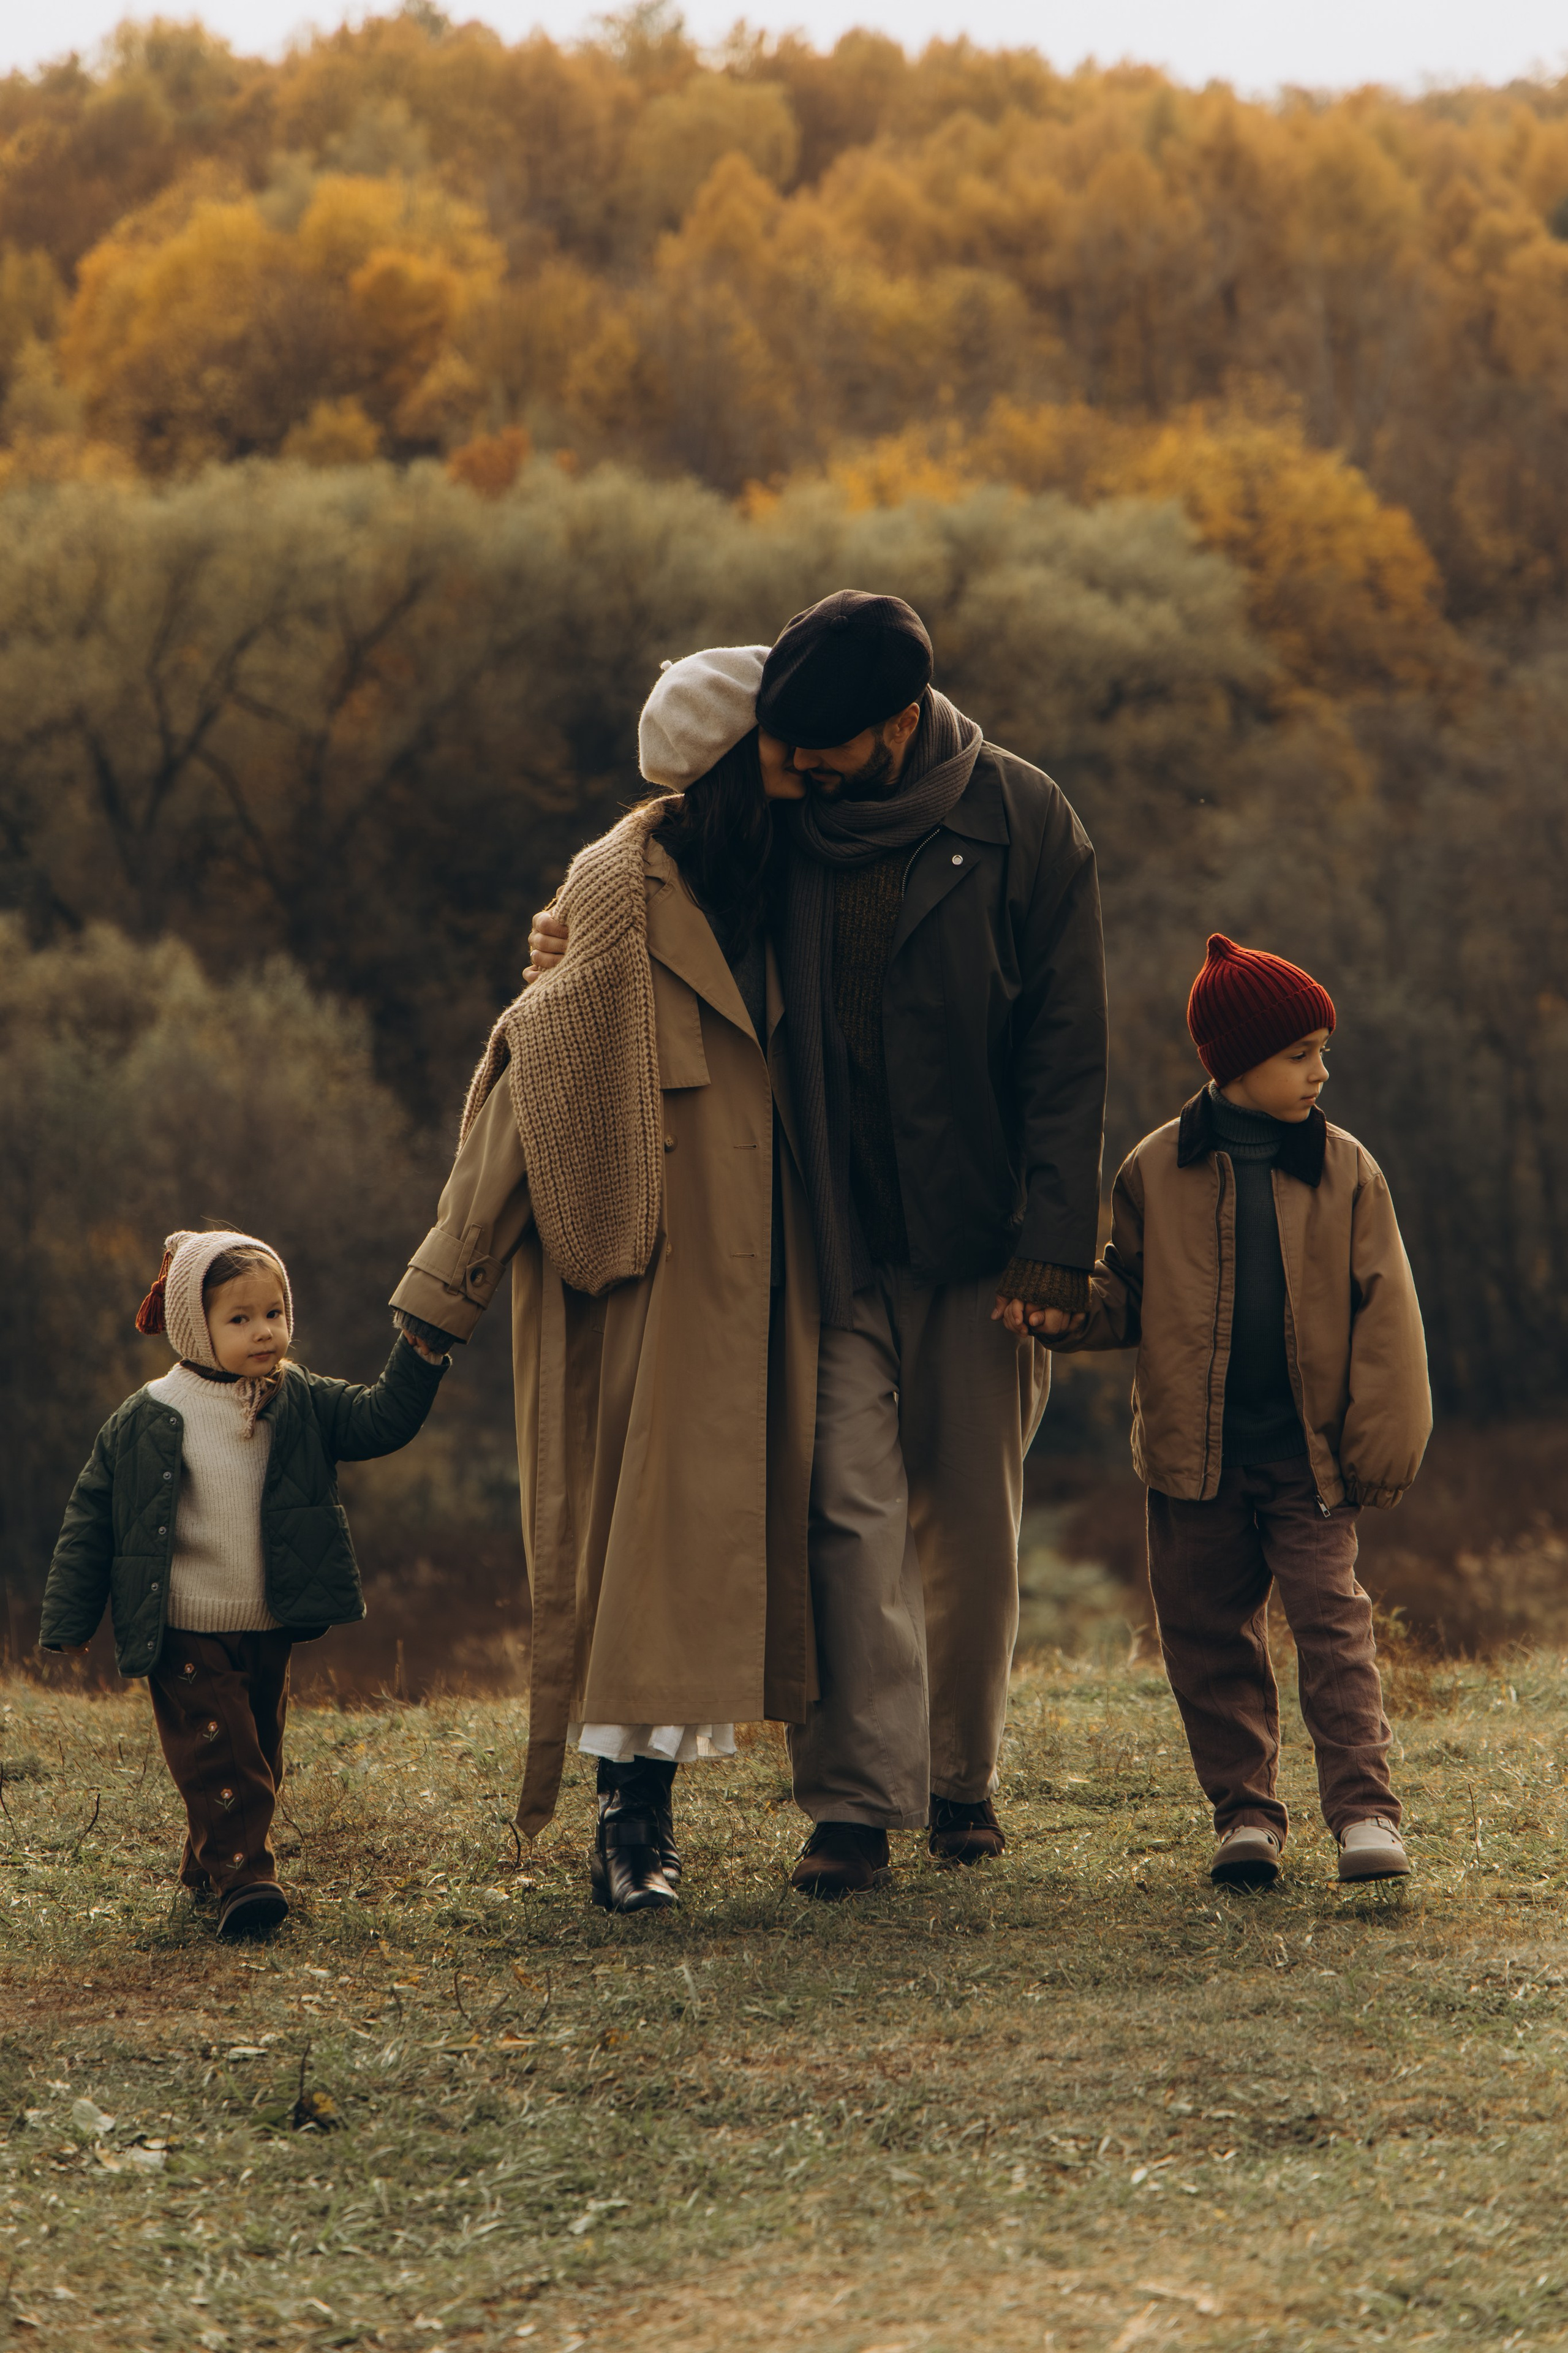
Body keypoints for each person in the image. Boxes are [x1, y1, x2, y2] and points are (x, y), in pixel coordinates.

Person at [530, 592, 1109, 1896]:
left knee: (971, 1525)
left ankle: (958, 1783)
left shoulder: (1024, 818)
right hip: (822, 1238)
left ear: (898, 723)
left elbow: (1069, 1048)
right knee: (848, 1520)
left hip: (979, 1244)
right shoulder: (787, 820)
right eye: (785, 744)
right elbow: (662, 857)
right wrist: (571, 925)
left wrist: (1053, 1245)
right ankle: (854, 1807)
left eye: (823, 746)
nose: (799, 766)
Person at [390, 649, 821, 1913]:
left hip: (778, 1287)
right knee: (636, 1565)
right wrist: (439, 1299)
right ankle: (631, 1822)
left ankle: (886, 1805)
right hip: (642, 1290)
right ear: (729, 760)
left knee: (753, 1555)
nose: (811, 757)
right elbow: (529, 1093)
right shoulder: (616, 900)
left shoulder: (804, 873)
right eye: (785, 738)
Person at [1054, 934, 1433, 1887]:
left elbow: (1388, 1315)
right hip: (1194, 1464)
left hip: (1310, 1463)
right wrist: (1063, 1310)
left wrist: (1381, 1446)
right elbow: (1126, 1295)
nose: (1320, 1072)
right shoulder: (1154, 1169)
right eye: (1300, 1054)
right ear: (1235, 1062)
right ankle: (1247, 1818)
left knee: (1334, 1633)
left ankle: (1365, 1815)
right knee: (1207, 1640)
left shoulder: (1349, 1170)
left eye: (1322, 1051)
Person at [39, 1227, 448, 1938]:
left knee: (253, 1751)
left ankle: (209, 1868)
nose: (264, 1331)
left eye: (274, 1312)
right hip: (184, 1625)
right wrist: (70, 1620)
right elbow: (91, 1518)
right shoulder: (147, 1416)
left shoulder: (299, 1397)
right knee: (222, 1749)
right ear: (196, 1329)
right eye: (240, 1318)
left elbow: (381, 1420)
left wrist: (418, 1352)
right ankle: (247, 1882)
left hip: (266, 1620)